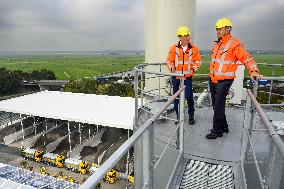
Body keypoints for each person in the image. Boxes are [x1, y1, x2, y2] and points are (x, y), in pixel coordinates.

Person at [206, 18, 263, 139]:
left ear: (228, 29)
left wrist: (253, 70)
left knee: (218, 105)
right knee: (217, 104)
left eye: (220, 29)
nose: (218, 31)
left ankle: (217, 131)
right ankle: (224, 126)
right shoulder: (217, 44)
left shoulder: (234, 44)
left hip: (224, 80)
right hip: (214, 79)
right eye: (217, 29)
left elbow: (247, 58)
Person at [167, 26, 202, 124]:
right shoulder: (173, 48)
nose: (187, 38)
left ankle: (191, 115)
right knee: (176, 97)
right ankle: (178, 117)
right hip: (176, 77)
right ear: (180, 37)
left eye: (187, 35)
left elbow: (198, 61)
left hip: (187, 77)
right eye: (185, 36)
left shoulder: (194, 48)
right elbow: (169, 61)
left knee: (189, 96)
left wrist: (193, 68)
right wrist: (171, 67)